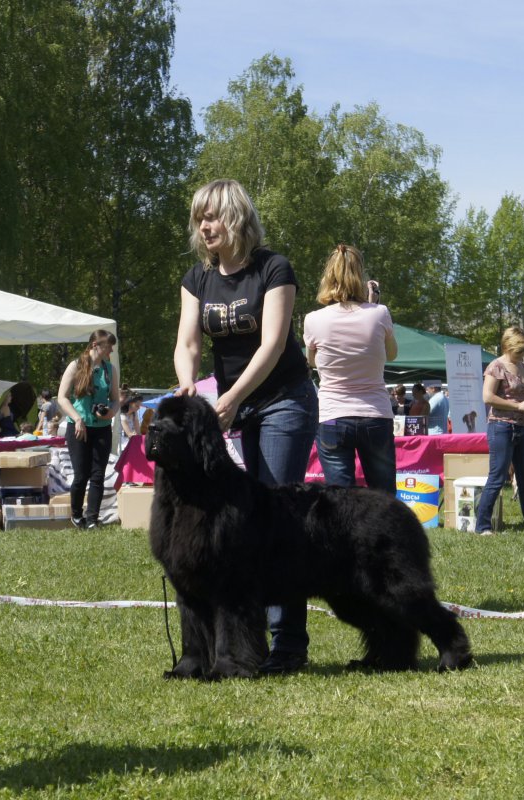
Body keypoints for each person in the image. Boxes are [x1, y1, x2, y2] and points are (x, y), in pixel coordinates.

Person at [174, 178, 318, 675]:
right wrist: (189, 386)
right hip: (233, 406)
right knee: (239, 523)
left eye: (211, 216)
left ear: (234, 216)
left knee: (279, 516)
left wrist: (232, 397)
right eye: (198, 219)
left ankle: (289, 645)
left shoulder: (273, 268)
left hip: (282, 400)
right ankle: (239, 646)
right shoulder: (198, 278)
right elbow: (188, 343)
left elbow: (274, 344)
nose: (204, 227)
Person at [303, 244, 398, 493]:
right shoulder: (379, 313)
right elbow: (392, 354)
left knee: (340, 499)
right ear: (361, 277)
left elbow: (313, 362)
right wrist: (372, 304)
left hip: (332, 415)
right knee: (383, 497)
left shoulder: (313, 319)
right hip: (375, 414)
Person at [475, 326, 524, 539]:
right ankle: (483, 527)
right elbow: (487, 397)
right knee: (497, 477)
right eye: (519, 350)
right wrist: (517, 407)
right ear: (508, 346)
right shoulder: (495, 366)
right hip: (501, 426)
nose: (522, 354)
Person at [57, 330, 120, 530]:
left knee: (98, 475)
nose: (111, 349)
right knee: (81, 475)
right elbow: (62, 397)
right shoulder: (75, 366)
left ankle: (92, 518)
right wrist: (76, 418)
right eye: (108, 345)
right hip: (79, 428)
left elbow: (116, 400)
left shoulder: (110, 370)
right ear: (95, 345)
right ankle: (76, 514)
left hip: (102, 429)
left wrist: (111, 413)